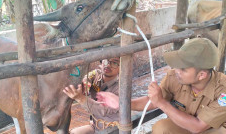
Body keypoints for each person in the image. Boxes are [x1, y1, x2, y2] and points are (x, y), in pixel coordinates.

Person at [96, 38, 226, 134]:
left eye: (183, 69)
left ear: (201, 75)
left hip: (211, 130)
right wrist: (121, 103)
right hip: (186, 127)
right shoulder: (174, 77)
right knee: (161, 128)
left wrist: (162, 103)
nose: (176, 70)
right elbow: (152, 101)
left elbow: (197, 127)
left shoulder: (223, 90)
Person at [63, 57, 120, 134]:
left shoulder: (120, 88)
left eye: (114, 63)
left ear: (122, 68)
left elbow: (103, 110)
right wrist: (86, 82)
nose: (108, 65)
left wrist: (81, 98)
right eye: (106, 60)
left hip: (113, 128)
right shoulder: (97, 74)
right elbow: (88, 77)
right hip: (95, 126)